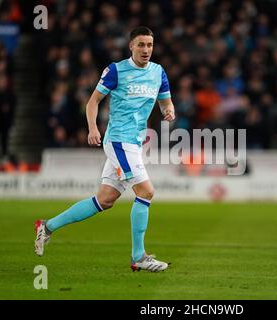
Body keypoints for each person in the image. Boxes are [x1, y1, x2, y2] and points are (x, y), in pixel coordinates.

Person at [34, 26, 176, 272]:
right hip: (119, 140)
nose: (146, 50)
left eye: (150, 45)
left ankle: (47, 227)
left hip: (134, 143)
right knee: (146, 192)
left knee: (105, 199)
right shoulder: (116, 70)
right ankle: (138, 256)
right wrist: (92, 128)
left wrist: (168, 110)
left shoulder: (158, 72)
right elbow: (93, 102)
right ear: (130, 45)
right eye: (141, 45)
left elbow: (165, 99)